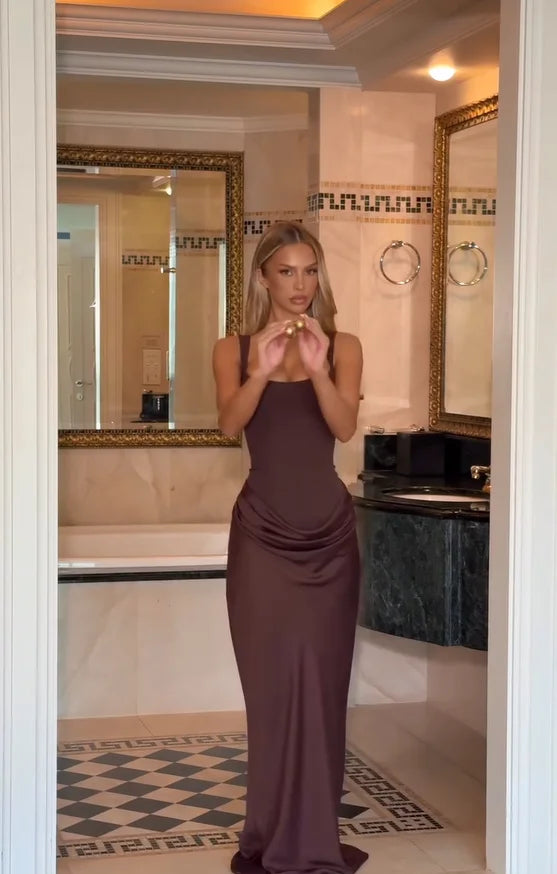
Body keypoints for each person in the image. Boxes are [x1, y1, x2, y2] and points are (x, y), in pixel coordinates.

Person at [212, 221, 368, 874]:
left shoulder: (344, 345)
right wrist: (261, 370)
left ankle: (312, 837)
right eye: (286, 272)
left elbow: (343, 426)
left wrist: (318, 365)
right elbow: (229, 425)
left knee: (324, 689)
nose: (300, 284)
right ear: (263, 278)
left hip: (329, 538)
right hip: (262, 539)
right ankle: (270, 831)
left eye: (309, 271)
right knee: (270, 690)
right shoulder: (232, 348)